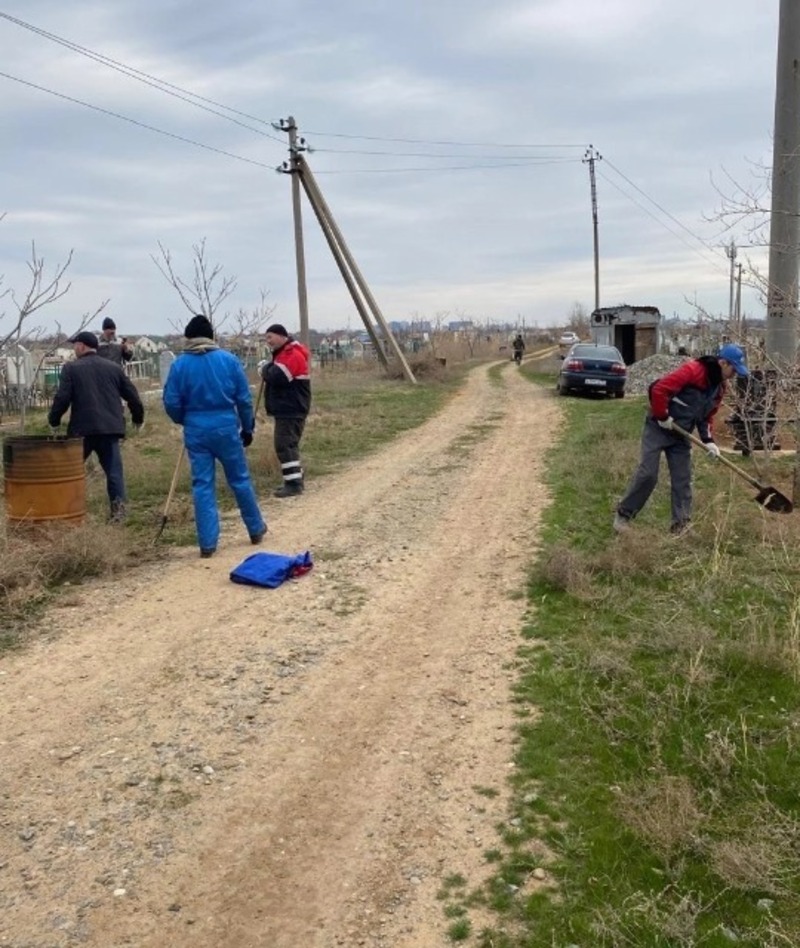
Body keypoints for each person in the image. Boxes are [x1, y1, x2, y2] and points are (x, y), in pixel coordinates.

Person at [614, 343, 749, 535]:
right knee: (648, 474)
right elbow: (659, 390)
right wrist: (662, 416)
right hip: (658, 427)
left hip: (681, 434)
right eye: (733, 369)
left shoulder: (719, 388)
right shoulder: (692, 371)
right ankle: (623, 515)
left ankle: (680, 525)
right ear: (722, 363)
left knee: (682, 479)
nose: (734, 374)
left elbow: (706, 416)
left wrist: (708, 440)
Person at [163, 314, 266, 558]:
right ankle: (255, 528)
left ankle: (207, 543)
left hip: (196, 429)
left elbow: (171, 401)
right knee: (239, 479)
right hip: (226, 427)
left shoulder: (179, 365)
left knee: (202, 485)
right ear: (211, 336)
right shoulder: (229, 361)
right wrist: (247, 428)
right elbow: (243, 399)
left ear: (188, 337)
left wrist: (184, 419)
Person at [48, 330, 144, 522]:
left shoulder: (71, 369)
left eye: (75, 345)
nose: (74, 349)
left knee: (69, 472)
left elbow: (63, 397)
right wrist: (137, 418)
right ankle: (119, 513)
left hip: (81, 431)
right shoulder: (113, 368)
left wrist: (54, 420)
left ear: (82, 346)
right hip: (109, 429)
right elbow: (132, 395)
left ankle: (66, 512)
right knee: (114, 473)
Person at [260, 323, 311, 498]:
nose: (268, 341)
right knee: (288, 444)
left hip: (291, 408)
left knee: (284, 444)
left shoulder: (292, 354)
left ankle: (294, 484)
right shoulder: (284, 354)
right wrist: (268, 368)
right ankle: (296, 476)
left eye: (270, 337)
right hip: (288, 408)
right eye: (266, 338)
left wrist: (264, 369)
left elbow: (277, 376)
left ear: (282, 336)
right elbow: (273, 372)